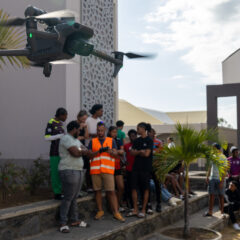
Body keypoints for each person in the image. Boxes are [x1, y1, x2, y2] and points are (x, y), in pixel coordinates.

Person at [88, 122, 125, 222]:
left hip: (108, 170)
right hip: (95, 170)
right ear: (96, 131)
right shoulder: (92, 141)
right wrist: (98, 151)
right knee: (97, 191)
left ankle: (116, 212)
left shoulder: (111, 140)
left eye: (101, 130)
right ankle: (100, 211)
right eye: (98, 130)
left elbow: (117, 155)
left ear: (105, 130)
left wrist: (111, 151)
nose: (100, 132)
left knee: (111, 191)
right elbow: (89, 155)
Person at [58, 121, 89, 233]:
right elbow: (75, 153)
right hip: (68, 170)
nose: (80, 131)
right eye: (79, 129)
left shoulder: (76, 140)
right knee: (68, 197)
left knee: (74, 197)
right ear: (74, 129)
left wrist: (81, 150)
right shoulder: (66, 138)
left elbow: (86, 151)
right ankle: (63, 223)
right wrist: (81, 151)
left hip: (78, 170)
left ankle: (74, 220)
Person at [127, 122, 153, 218]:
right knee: (133, 188)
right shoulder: (136, 141)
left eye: (138, 128)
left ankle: (143, 210)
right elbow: (131, 153)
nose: (137, 130)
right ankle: (135, 209)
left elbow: (147, 154)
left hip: (145, 168)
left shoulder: (149, 140)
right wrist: (140, 151)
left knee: (145, 189)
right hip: (135, 168)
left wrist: (138, 152)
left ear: (143, 129)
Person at [45, 108, 67, 200]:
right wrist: (58, 136)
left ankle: (62, 191)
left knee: (61, 173)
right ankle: (57, 193)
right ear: (61, 115)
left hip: (61, 152)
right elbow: (47, 137)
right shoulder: (51, 122)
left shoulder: (60, 124)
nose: (66, 117)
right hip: (54, 152)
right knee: (55, 173)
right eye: (65, 115)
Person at [205, 143, 228, 217]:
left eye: (213, 148)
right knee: (211, 195)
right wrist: (207, 176)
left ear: (218, 149)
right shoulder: (212, 156)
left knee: (221, 195)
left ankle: (222, 212)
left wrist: (222, 181)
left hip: (220, 179)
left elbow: (225, 170)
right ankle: (210, 212)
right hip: (212, 178)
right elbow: (210, 167)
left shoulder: (223, 157)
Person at [108, 126, 125, 212]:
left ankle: (119, 202)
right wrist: (117, 151)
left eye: (116, 132)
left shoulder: (118, 140)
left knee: (121, 187)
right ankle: (114, 206)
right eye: (113, 132)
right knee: (112, 188)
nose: (115, 134)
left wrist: (114, 151)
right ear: (109, 132)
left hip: (118, 165)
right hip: (109, 166)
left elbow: (122, 151)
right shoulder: (107, 140)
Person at [148, 128, 162, 212]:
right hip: (148, 167)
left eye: (152, 132)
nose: (150, 134)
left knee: (158, 186)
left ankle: (159, 204)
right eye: (149, 132)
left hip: (157, 167)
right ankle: (148, 204)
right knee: (147, 186)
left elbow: (162, 154)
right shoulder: (146, 142)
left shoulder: (159, 142)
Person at [77, 110, 91, 194]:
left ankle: (83, 187)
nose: (84, 120)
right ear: (79, 117)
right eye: (83, 118)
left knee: (85, 166)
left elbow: (86, 136)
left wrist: (85, 128)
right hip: (76, 147)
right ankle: (78, 189)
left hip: (82, 147)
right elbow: (75, 136)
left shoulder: (85, 124)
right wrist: (80, 128)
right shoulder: (75, 124)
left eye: (85, 119)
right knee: (79, 167)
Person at [124, 129, 137, 209]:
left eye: (134, 136)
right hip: (129, 169)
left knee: (136, 188)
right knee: (130, 188)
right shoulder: (126, 146)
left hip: (138, 169)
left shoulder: (139, 145)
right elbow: (123, 155)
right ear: (129, 137)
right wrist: (125, 162)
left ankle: (137, 203)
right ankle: (131, 205)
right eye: (131, 136)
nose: (132, 138)